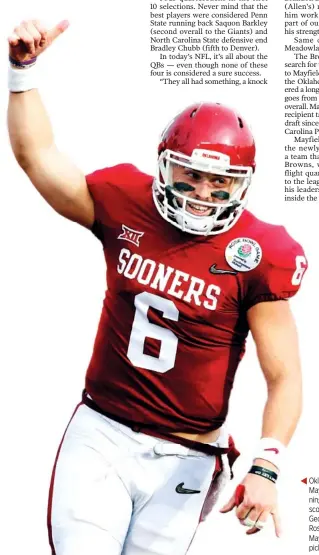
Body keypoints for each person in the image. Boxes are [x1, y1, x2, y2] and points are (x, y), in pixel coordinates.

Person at [7, 18, 307, 555]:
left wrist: (268, 464)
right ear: (164, 167)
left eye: (220, 181)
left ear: (243, 184)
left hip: (188, 458)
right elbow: (39, 157)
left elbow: (284, 375)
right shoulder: (127, 202)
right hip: (102, 435)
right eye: (190, 174)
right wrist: (22, 72)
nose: (201, 192)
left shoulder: (260, 253)